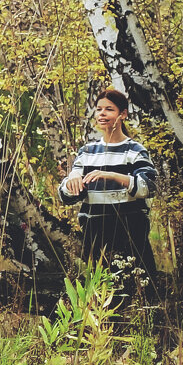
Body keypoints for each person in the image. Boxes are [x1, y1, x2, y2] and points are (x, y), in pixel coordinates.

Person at [58, 88, 158, 285]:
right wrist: (71, 183)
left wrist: (112, 176)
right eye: (98, 109)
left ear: (123, 114)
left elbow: (149, 187)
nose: (102, 114)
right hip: (94, 236)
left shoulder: (135, 150)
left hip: (130, 234)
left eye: (109, 109)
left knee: (137, 291)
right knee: (101, 296)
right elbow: (65, 196)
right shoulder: (87, 152)